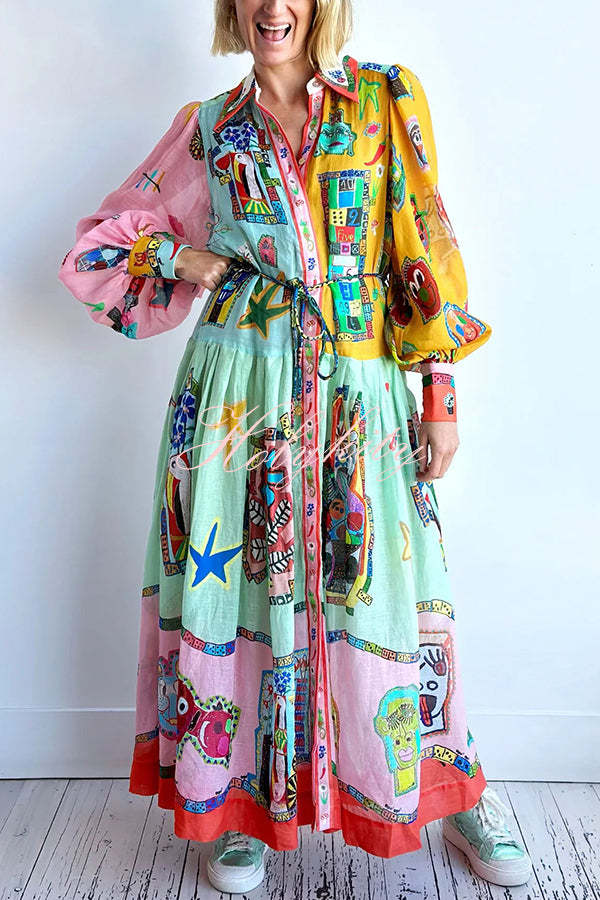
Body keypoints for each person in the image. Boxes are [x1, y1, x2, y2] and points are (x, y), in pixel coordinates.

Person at [58, 0, 533, 893]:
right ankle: (243, 800)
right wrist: (180, 259)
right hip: (235, 395)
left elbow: (423, 243)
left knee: (395, 590)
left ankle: (451, 785)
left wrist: (439, 390)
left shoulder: (384, 99)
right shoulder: (209, 128)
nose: (273, 6)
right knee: (241, 585)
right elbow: (95, 255)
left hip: (359, 385)